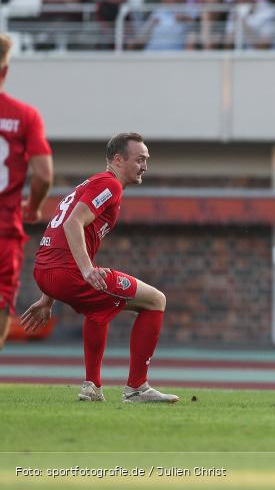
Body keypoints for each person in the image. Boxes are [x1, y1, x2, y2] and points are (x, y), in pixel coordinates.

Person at [21, 133, 179, 403]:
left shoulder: (93, 183)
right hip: (67, 272)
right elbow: (73, 224)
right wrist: (85, 271)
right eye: (140, 159)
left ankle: (92, 387)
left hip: (45, 271)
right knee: (155, 300)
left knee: (99, 305)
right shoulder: (110, 184)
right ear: (118, 159)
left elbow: (71, 234)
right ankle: (137, 388)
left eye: (146, 160)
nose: (145, 166)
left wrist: (48, 297)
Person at [0, 34, 53, 350]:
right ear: (5, 71)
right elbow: (43, 174)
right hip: (4, 228)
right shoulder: (24, 116)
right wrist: (33, 207)